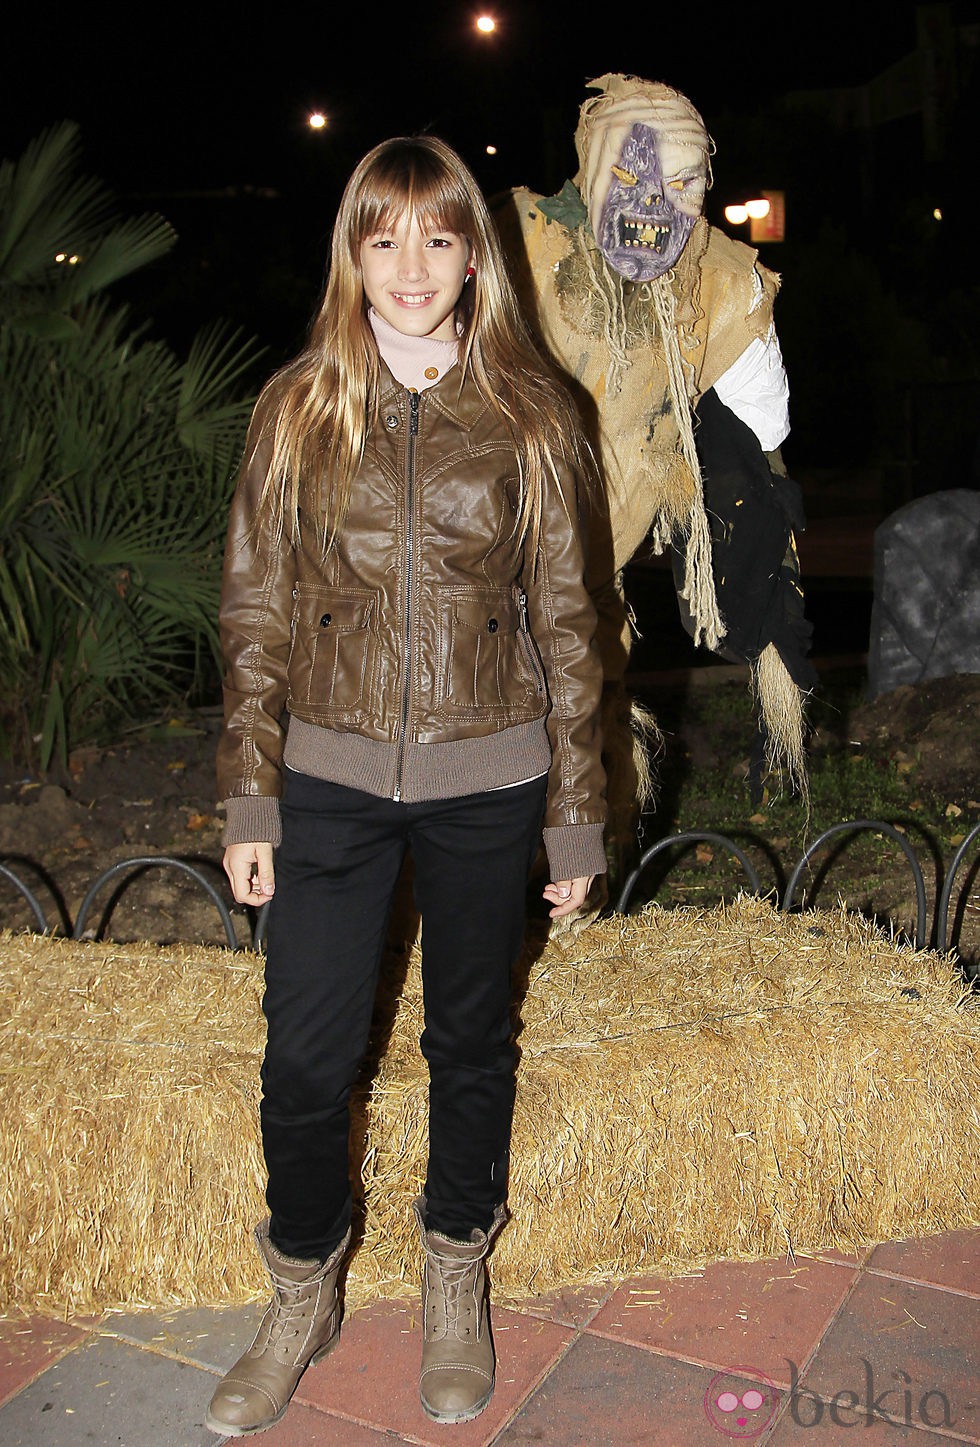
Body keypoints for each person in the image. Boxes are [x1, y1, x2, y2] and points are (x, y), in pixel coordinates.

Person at [207, 134, 607, 1436]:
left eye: (439, 235)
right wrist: (252, 795)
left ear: (474, 253)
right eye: (385, 237)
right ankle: (301, 1287)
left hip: (492, 772)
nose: (413, 264)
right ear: (352, 253)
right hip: (326, 776)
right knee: (307, 1058)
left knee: (469, 1039)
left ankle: (452, 1270)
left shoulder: (534, 414)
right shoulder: (297, 406)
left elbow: (568, 624)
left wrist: (577, 815)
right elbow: (256, 613)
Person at [498, 74, 815, 844]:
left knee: (586, 739)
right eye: (631, 177)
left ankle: (574, 913)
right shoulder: (510, 245)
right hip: (472, 569)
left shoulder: (719, 282)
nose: (653, 208)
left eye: (683, 183)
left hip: (592, 580)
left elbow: (764, 419)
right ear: (588, 170)